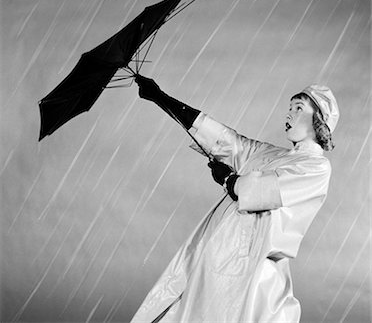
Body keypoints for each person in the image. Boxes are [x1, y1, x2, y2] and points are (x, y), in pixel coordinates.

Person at [130, 75, 339, 323]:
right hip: (214, 263)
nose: (289, 115)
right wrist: (162, 99)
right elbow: (227, 141)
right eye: (289, 108)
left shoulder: (315, 167)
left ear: (319, 121)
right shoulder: (270, 154)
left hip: (250, 275)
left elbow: (265, 190)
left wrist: (229, 180)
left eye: (299, 108)